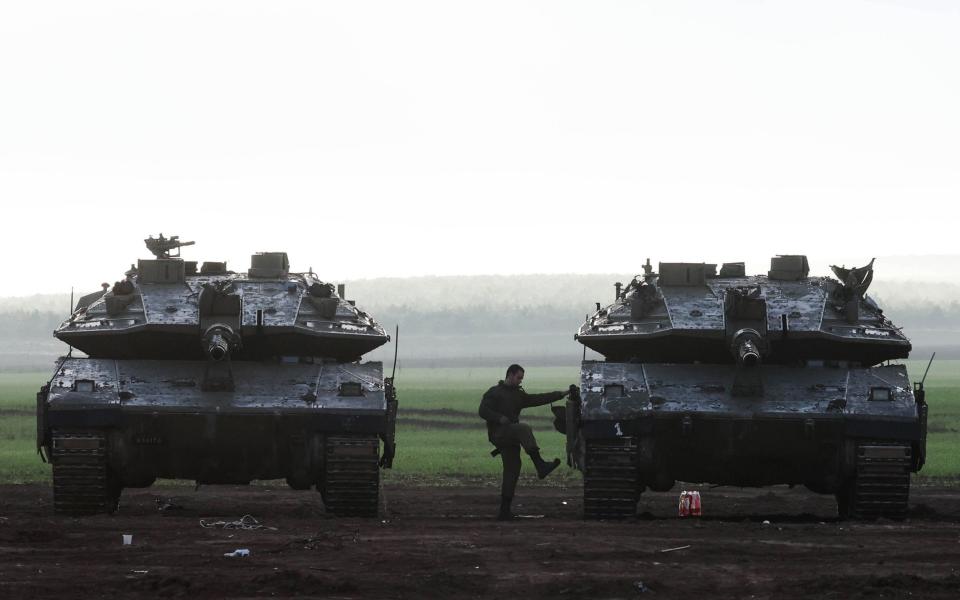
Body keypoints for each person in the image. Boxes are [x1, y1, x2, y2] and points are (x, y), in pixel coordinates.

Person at [479, 364, 569, 520]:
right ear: (510, 375)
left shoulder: (518, 395)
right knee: (523, 428)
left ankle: (504, 511)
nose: (520, 381)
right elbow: (483, 411)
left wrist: (561, 394)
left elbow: (537, 399)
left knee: (513, 469)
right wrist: (499, 418)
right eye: (519, 378)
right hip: (499, 434)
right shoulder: (494, 392)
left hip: (511, 436)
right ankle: (540, 464)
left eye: (521, 378)